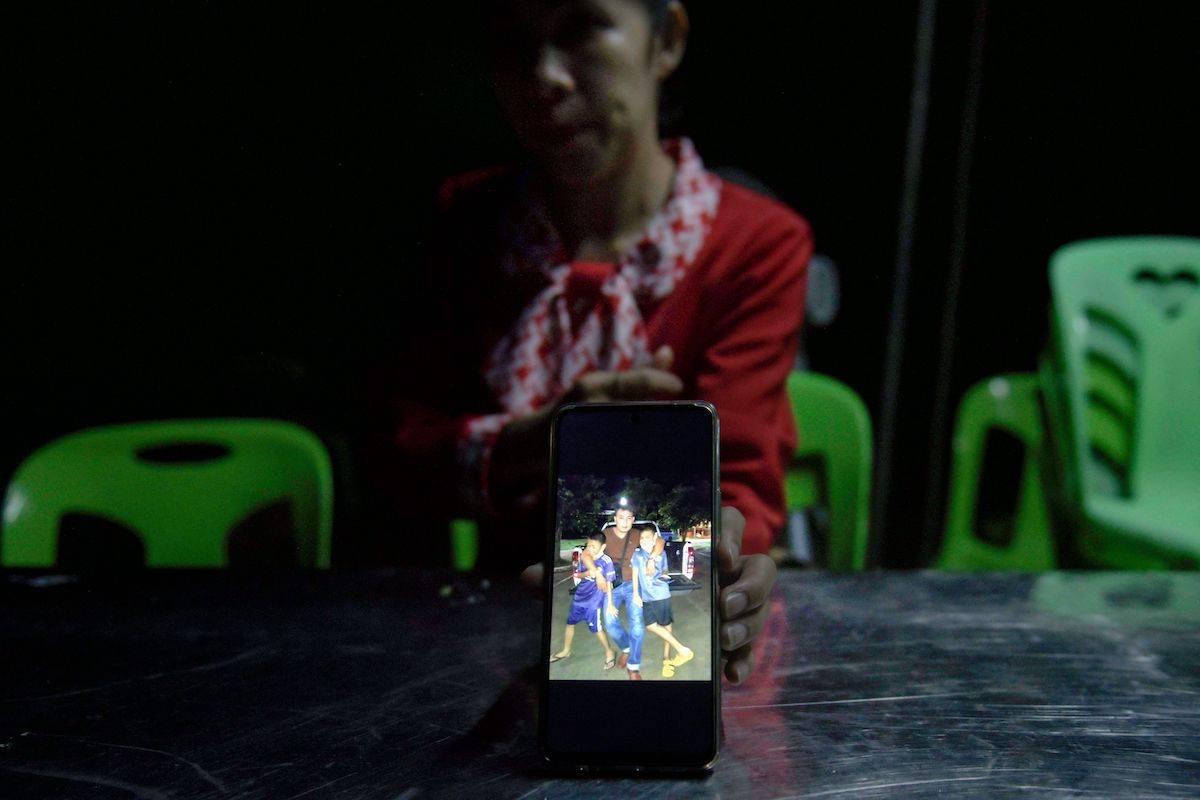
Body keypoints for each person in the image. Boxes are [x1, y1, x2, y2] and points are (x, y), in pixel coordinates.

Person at [371, 0, 793, 683]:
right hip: (477, 631)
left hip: (659, 618)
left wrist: (723, 551)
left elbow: (741, 473)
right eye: (514, 41)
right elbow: (399, 450)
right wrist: (539, 440)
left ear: (667, 41)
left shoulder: (756, 243)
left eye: (581, 28)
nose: (546, 78)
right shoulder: (467, 222)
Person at [601, 505, 662, 680]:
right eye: (621, 517)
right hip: (611, 585)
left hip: (633, 585)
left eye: (629, 518)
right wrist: (597, 573)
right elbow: (590, 553)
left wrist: (652, 559)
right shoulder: (605, 535)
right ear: (614, 519)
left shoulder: (637, 534)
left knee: (636, 624)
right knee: (610, 622)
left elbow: (660, 542)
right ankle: (627, 648)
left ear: (633, 520)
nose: (625, 522)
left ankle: (633, 665)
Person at [550, 531, 618, 669]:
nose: (590, 549)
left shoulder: (606, 561)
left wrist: (610, 603)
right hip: (579, 598)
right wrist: (587, 573)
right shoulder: (585, 557)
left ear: (603, 547)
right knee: (570, 623)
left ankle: (609, 652)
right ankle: (566, 650)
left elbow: (609, 584)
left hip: (594, 602)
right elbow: (577, 575)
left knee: (597, 629)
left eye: (594, 546)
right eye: (588, 545)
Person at [631, 525, 692, 677]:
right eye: (642, 538)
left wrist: (664, 574)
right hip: (646, 597)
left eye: (648, 538)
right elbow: (634, 574)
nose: (644, 540)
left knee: (666, 626)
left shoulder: (661, 553)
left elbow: (665, 570)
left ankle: (667, 659)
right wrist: (635, 594)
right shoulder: (637, 555)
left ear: (654, 540)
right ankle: (682, 649)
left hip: (660, 595)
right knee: (650, 625)